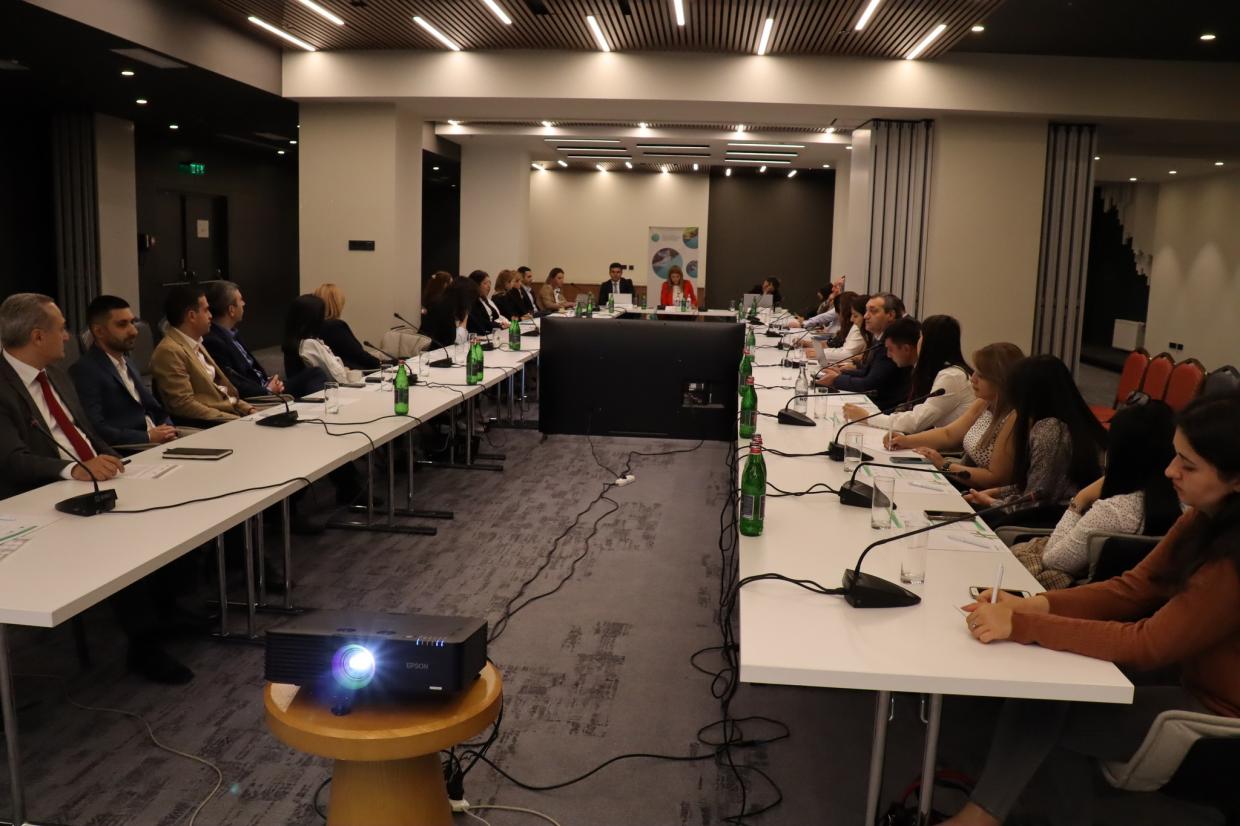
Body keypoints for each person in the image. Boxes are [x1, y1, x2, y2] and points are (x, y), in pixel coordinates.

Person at [948, 392, 1240, 826]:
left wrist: (1023, 624)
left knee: (1045, 700)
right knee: (1052, 682)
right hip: (1189, 676)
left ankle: (981, 817)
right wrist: (1037, 604)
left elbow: (1147, 644)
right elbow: (1132, 589)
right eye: (1174, 456)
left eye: (1188, 465)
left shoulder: (1231, 562)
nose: (1169, 471)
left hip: (1216, 718)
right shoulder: (1204, 517)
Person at [0, 294, 193, 684]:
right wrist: (73, 469)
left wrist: (118, 462)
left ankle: (167, 612)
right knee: (123, 541)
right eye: (61, 329)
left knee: (179, 511)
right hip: (41, 492)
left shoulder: (56, 374)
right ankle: (144, 646)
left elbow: (87, 433)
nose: (68, 337)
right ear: (37, 336)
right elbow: (12, 460)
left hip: (92, 476)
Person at [1012, 401, 1182, 589]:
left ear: (1121, 454)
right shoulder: (1187, 506)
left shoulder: (1115, 511)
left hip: (1083, 597)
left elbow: (1052, 560)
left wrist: (1080, 500)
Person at [963, 354, 1106, 510]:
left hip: (1051, 516)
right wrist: (997, 493)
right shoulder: (1072, 421)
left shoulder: (1050, 430)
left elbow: (1035, 500)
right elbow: (1034, 484)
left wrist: (991, 502)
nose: (973, 378)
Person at [889, 342, 1024, 491]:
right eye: (975, 371)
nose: (973, 378)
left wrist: (944, 466)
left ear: (1001, 380)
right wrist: (905, 440)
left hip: (979, 494)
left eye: (981, 375)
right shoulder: (984, 403)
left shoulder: (1013, 417)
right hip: (962, 480)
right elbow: (948, 434)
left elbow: (994, 479)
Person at [70, 295, 180, 448]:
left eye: (132, 322)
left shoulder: (127, 361)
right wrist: (148, 437)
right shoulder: (86, 370)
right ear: (99, 331)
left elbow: (155, 409)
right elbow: (96, 429)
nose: (134, 331)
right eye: (122, 325)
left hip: (161, 438)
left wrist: (169, 430)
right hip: (135, 447)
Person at [843, 314, 975, 434]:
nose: (918, 341)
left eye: (921, 336)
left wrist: (866, 417)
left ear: (930, 342)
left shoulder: (952, 376)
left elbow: (916, 422)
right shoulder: (940, 371)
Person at [149, 285, 255, 424]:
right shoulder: (169, 351)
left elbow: (221, 390)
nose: (210, 315)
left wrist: (249, 410)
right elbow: (183, 405)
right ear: (192, 316)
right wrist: (237, 420)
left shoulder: (196, 342)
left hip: (230, 414)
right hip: (210, 424)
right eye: (206, 310)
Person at [202, 281, 322, 399]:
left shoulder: (232, 333)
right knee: (315, 375)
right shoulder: (214, 342)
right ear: (231, 310)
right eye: (240, 300)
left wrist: (269, 380)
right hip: (257, 396)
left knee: (315, 373)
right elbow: (233, 383)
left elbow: (250, 368)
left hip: (264, 385)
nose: (244, 303)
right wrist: (268, 390)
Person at [817, 293, 910, 410]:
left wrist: (836, 379)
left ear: (890, 315)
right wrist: (842, 373)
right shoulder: (880, 337)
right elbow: (867, 372)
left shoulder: (892, 343)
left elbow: (869, 384)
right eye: (866, 311)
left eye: (873, 311)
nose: (866, 316)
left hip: (883, 408)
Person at [283, 294, 350, 384]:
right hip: (324, 390)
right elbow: (339, 377)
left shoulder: (295, 342)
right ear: (315, 318)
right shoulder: (308, 344)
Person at [313, 282, 382, 371]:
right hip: (353, 374)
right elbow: (358, 355)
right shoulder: (335, 326)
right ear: (336, 303)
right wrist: (381, 363)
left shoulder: (314, 327)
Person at [804, 291, 867, 366]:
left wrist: (820, 354)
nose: (851, 319)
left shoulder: (856, 328)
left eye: (855, 315)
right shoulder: (851, 328)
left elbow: (847, 354)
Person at [424, 276, 477, 349]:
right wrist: (465, 319)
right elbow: (454, 341)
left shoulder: (447, 303)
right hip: (435, 351)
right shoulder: (444, 307)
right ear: (464, 295)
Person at [467, 270, 508, 334]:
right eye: (485, 283)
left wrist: (503, 324)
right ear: (476, 285)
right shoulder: (472, 302)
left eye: (489, 283)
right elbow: (482, 322)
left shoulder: (484, 300)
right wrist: (500, 326)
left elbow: (496, 317)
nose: (489, 286)